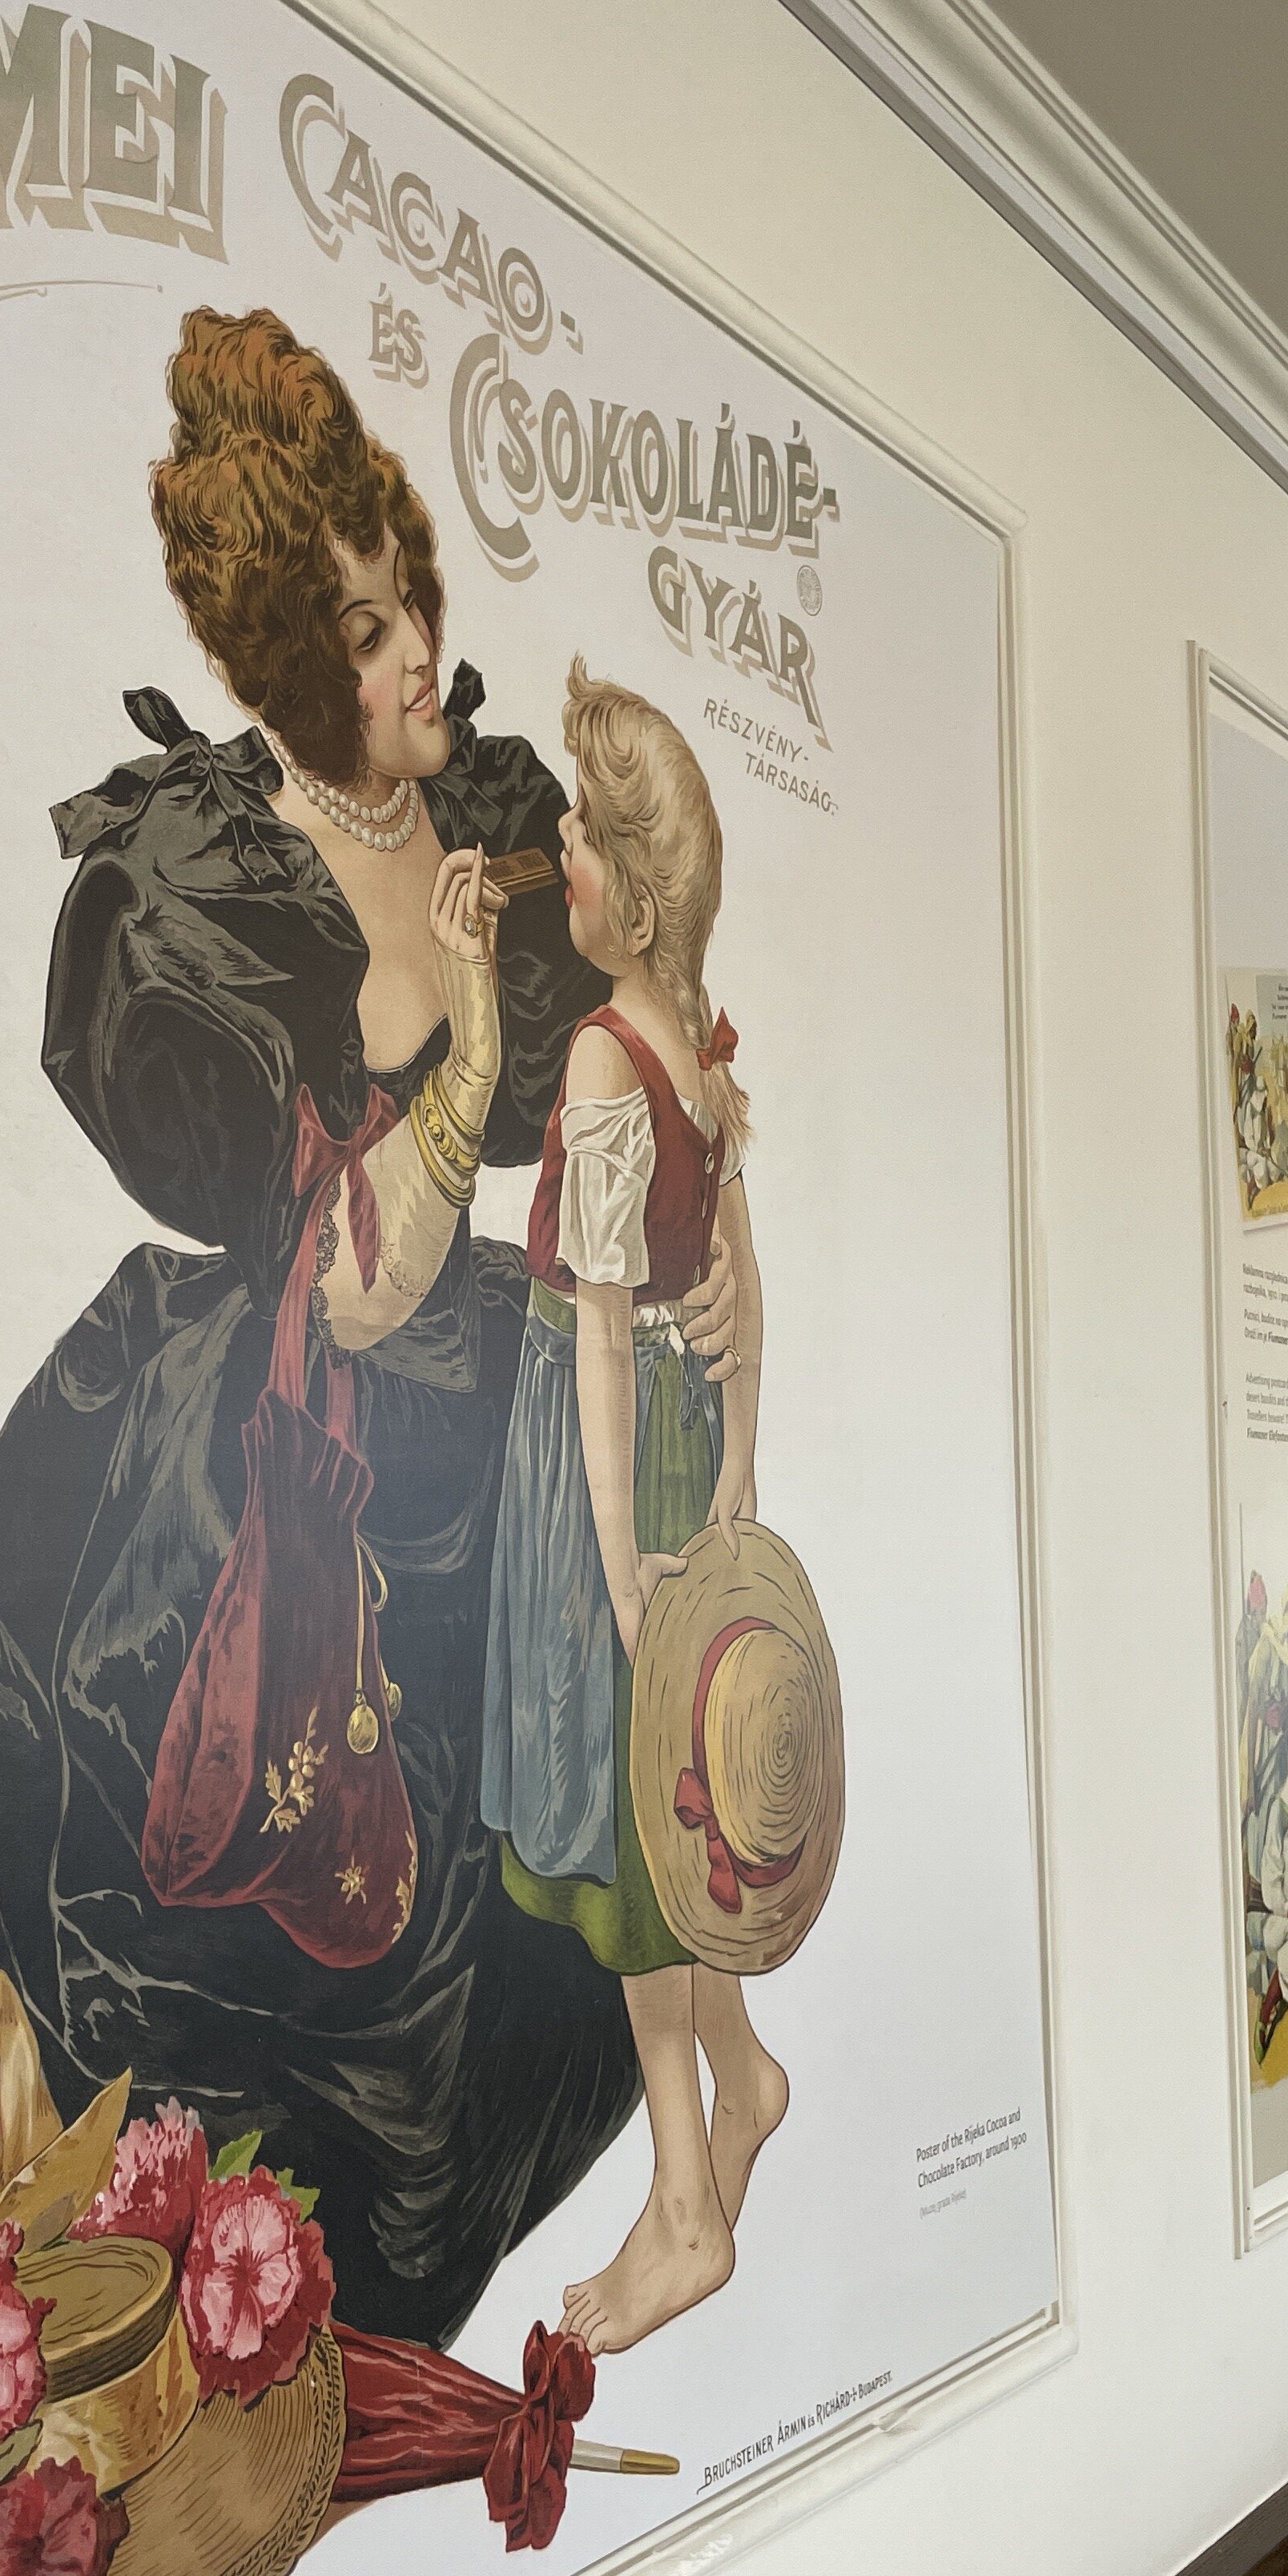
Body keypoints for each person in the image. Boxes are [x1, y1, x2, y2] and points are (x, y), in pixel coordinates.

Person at [0, 312, 741, 2352]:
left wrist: (711, 1251)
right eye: (369, 634)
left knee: (564, 1795)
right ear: (291, 664)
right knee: (272, 1881)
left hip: (493, 1392)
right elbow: (354, 1272)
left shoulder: (490, 812)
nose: (420, 657)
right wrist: (473, 1054)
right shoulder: (204, 886)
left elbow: (645, 1072)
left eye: (414, 605)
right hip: (283, 1421)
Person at [481, 665, 787, 2356]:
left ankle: (683, 2207)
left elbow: (602, 1339)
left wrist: (618, 1580)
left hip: (605, 1471)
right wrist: (734, 1467)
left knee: (640, 1853)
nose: (562, 855)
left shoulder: (614, 1062)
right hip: (681, 1457)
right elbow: (742, 1296)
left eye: (583, 838)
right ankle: (746, 2083)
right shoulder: (698, 1053)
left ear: (636, 893)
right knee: (688, 1815)